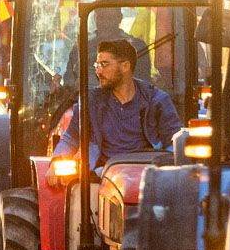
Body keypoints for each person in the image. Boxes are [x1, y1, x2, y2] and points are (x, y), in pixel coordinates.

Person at [53, 37, 183, 166]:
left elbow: (174, 141)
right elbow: (71, 138)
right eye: (97, 65)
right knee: (75, 187)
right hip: (101, 176)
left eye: (104, 64)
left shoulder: (157, 101)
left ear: (125, 66)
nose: (98, 71)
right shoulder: (90, 102)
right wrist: (56, 161)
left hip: (146, 173)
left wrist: (164, 166)